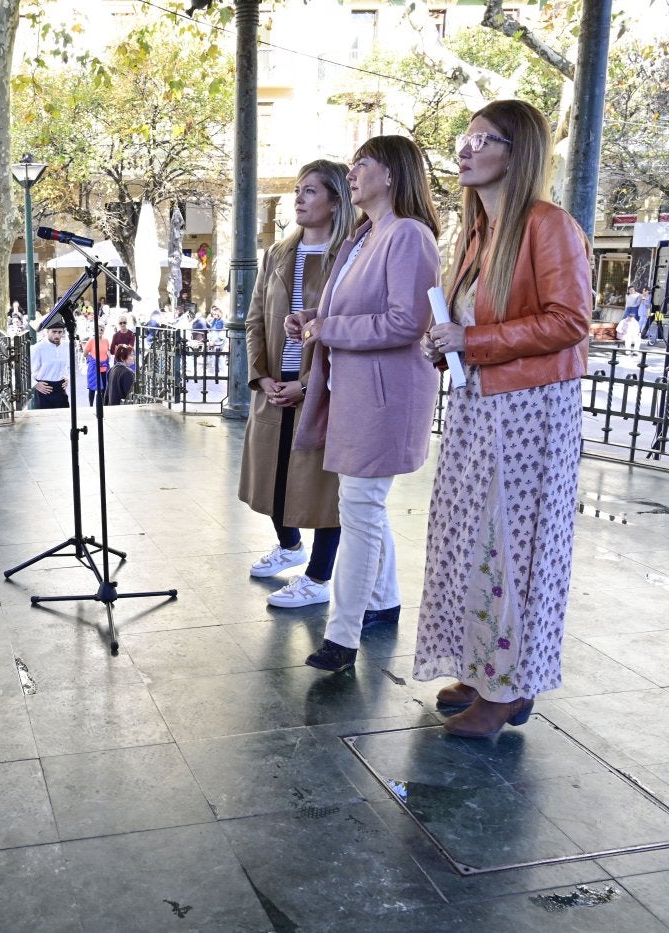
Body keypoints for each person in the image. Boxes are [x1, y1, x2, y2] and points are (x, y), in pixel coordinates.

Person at [416, 100, 593, 738]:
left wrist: (472, 343)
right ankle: (485, 669)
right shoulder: (479, 233)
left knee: (509, 547)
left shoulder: (549, 225)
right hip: (478, 408)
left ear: (515, 154)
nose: (464, 151)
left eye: (482, 140)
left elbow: (570, 321)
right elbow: (471, 322)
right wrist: (443, 344)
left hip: (527, 412)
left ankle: (508, 689)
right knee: (467, 541)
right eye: (462, 140)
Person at [289, 135, 441, 674]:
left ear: (393, 173)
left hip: (384, 400)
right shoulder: (364, 236)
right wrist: (311, 324)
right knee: (363, 509)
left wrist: (328, 328)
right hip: (354, 394)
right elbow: (350, 313)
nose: (352, 173)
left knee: (358, 511)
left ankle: (342, 636)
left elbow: (407, 323)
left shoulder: (409, 236)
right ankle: (379, 603)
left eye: (363, 164)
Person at [239, 160, 353, 608]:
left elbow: (346, 329)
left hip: (324, 389)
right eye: (298, 190)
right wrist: (262, 376)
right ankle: (288, 546)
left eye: (310, 191)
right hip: (274, 384)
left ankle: (318, 578)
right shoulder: (278, 254)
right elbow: (252, 321)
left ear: (335, 200)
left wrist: (307, 385)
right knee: (270, 473)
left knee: (325, 487)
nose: (299, 199)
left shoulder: (349, 257)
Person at [30, 321, 70, 409]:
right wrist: (35, 384)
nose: (57, 335)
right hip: (44, 390)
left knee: (64, 418)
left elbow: (68, 366)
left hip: (60, 389)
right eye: (54, 332)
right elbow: (25, 370)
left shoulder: (67, 346)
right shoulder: (38, 348)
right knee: (44, 420)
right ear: (47, 331)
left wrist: (67, 378)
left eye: (60, 332)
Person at [84, 328, 110, 405]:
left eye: (102, 329)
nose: (100, 330)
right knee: (92, 388)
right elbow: (85, 353)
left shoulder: (106, 340)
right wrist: (92, 360)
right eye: (98, 328)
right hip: (94, 368)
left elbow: (107, 351)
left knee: (104, 389)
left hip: (104, 368)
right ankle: (91, 405)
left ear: (104, 331)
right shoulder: (91, 341)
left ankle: (102, 406)